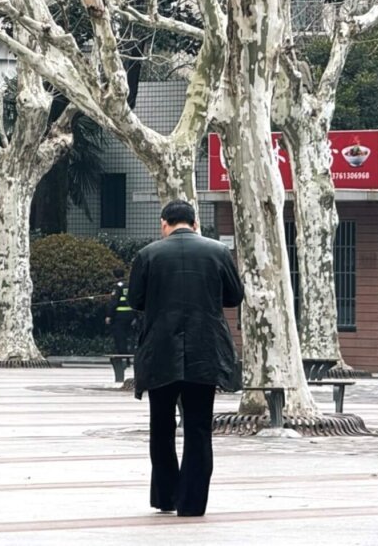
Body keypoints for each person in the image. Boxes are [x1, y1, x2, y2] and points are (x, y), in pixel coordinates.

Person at [128, 199, 244, 518]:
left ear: (164, 223)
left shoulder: (148, 254)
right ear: (195, 224)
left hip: (160, 351)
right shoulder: (218, 252)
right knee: (198, 427)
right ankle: (192, 503)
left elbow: (135, 300)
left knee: (161, 426)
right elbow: (235, 296)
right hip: (204, 351)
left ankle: (166, 496)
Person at [105, 266, 136, 354]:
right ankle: (132, 354)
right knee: (130, 336)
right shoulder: (129, 285)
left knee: (120, 336)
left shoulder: (117, 286)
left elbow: (114, 302)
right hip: (130, 315)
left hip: (119, 316)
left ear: (114, 276)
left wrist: (109, 315)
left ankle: (123, 356)